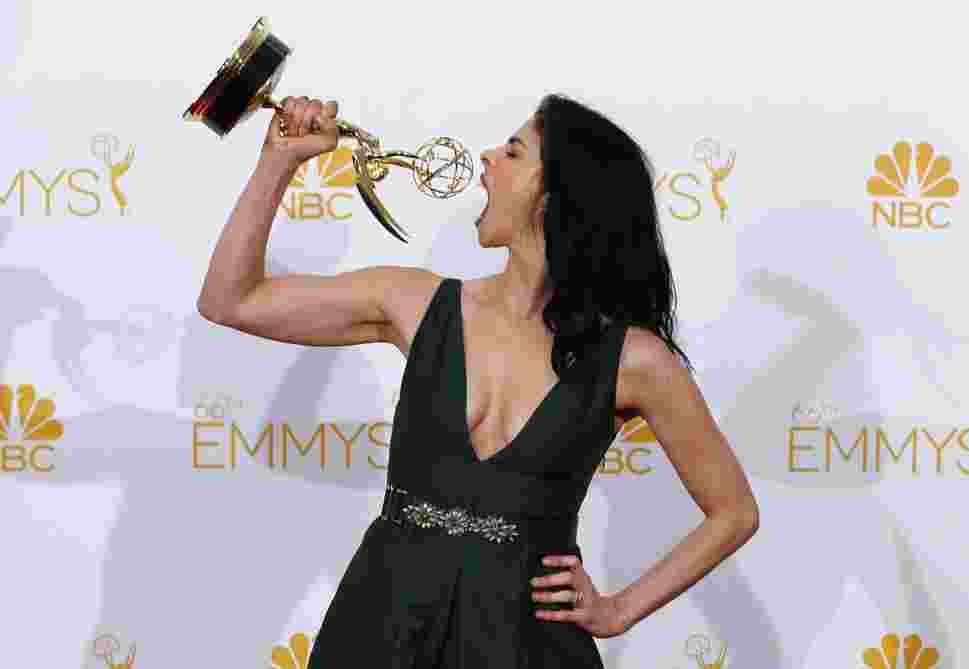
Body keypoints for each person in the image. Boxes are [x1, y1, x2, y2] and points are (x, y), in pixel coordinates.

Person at [197, 92, 759, 667]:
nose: (488, 157)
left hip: (526, 643)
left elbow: (734, 512)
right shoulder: (412, 301)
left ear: (557, 193)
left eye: (514, 152)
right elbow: (229, 300)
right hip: (381, 625)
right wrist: (279, 160)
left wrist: (617, 611)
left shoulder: (634, 360)